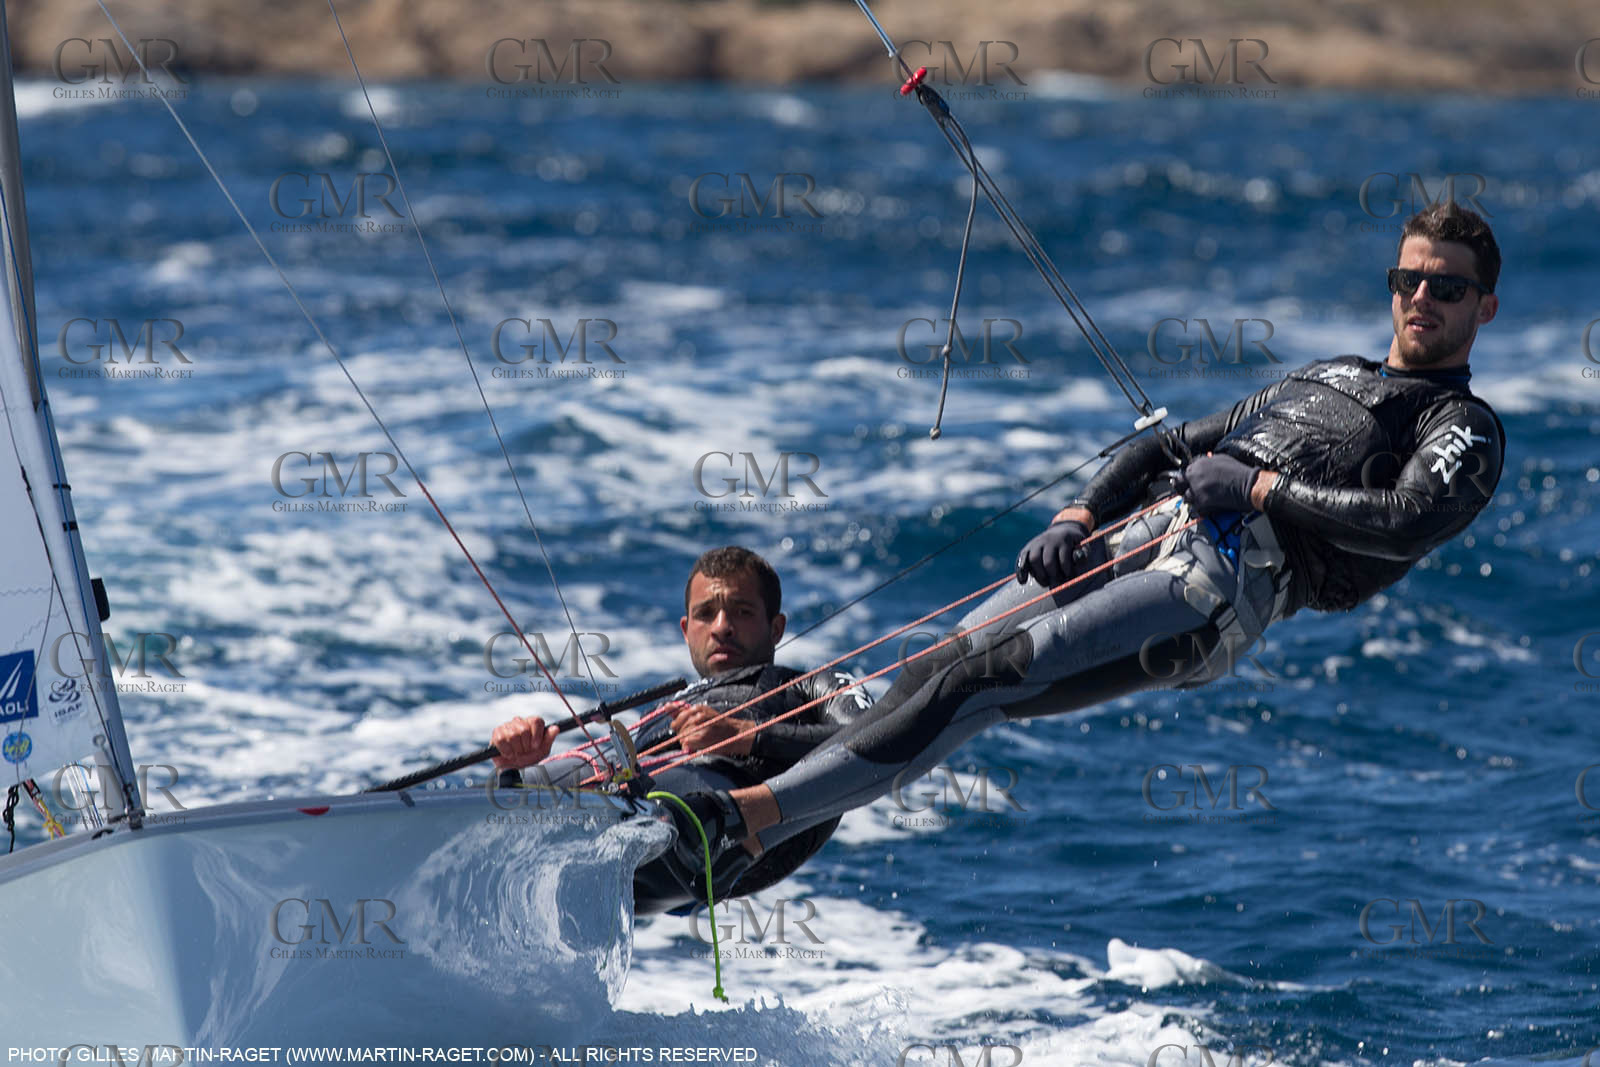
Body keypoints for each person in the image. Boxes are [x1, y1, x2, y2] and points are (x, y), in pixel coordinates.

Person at [680, 201, 1508, 857]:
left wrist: (1257, 486)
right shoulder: (1327, 372)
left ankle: (751, 817)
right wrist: (1078, 514)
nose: (1422, 299)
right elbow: (1169, 443)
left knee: (983, 681)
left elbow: (1404, 522)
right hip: (1134, 535)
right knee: (938, 662)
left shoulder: (1460, 423)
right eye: (1408, 280)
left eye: (1448, 287)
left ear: (1486, 306)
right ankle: (762, 764)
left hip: (1211, 590)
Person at [489, 545, 869, 913]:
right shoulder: (664, 710)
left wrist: (747, 736)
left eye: (741, 611)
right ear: (686, 629)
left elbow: (873, 740)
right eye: (706, 614)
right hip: (624, 827)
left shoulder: (813, 685)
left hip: (716, 837)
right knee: (501, 797)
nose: (722, 628)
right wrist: (518, 765)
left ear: (776, 627)